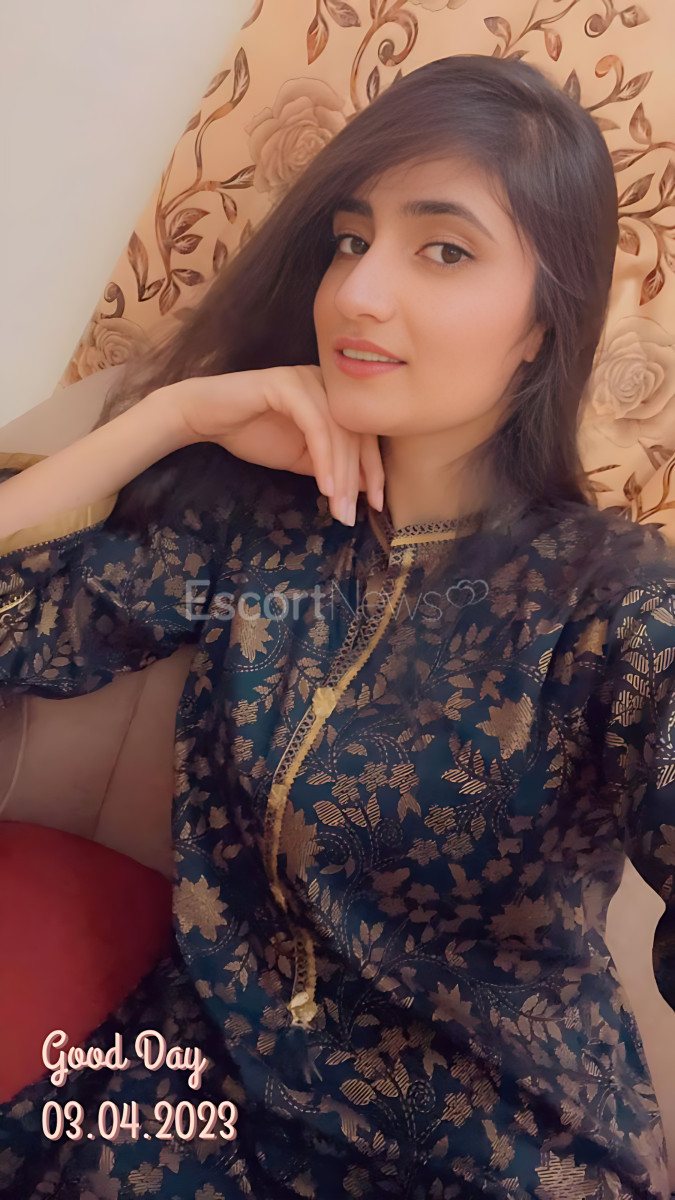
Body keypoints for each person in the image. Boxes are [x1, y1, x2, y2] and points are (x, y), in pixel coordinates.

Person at [1, 52, 674, 1200]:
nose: (358, 291)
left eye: (445, 249)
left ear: (541, 325)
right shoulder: (253, 524)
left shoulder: (612, 598)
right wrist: (169, 417)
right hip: (204, 1101)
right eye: (353, 238)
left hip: (493, 1149)